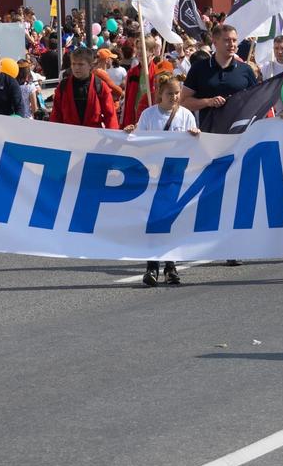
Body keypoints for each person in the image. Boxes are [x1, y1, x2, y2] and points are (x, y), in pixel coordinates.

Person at [126, 74, 200, 287]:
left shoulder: (186, 115)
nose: (174, 97)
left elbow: (194, 145)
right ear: (159, 93)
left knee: (170, 220)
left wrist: (195, 135)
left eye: (177, 93)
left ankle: (170, 265)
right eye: (170, 93)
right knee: (153, 221)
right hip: (154, 175)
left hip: (174, 176)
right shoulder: (148, 115)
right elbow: (139, 143)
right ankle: (152, 265)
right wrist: (131, 133)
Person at [180, 23, 258, 129]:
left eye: (234, 40)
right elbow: (184, 102)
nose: (232, 44)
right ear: (215, 42)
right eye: (227, 40)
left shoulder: (246, 69)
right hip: (209, 134)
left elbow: (257, 100)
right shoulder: (199, 68)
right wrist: (208, 102)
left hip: (239, 135)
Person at [50, 47, 120, 129]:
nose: (76, 67)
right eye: (73, 64)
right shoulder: (63, 86)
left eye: (80, 64)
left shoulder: (100, 86)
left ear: (91, 65)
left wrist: (113, 136)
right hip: (69, 135)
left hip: (93, 136)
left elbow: (110, 115)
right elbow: (56, 114)